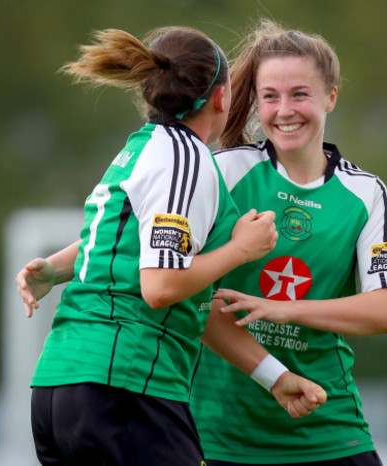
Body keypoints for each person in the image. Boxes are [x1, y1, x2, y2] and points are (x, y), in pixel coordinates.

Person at [17, 26, 327, 466]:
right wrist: (241, 249)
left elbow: (118, 236)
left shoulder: (141, 148)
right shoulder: (186, 159)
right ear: (221, 98)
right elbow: (160, 286)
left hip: (60, 388)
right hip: (126, 386)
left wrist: (55, 269)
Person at [189, 20, 387, 466]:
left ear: (330, 96)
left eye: (300, 94)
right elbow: (161, 260)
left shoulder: (366, 194)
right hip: (218, 435)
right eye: (270, 96)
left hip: (329, 430)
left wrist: (282, 308)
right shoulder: (224, 172)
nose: (284, 110)